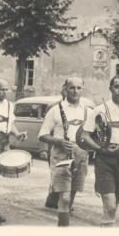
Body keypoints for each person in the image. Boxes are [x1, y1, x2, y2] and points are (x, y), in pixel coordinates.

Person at [80, 75, 119, 227]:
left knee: (115, 205)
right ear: (110, 88)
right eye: (117, 86)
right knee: (110, 206)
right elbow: (85, 135)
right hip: (105, 161)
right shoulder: (99, 109)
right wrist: (101, 148)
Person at [38, 77, 93, 227]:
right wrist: (59, 141)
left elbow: (93, 136)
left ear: (83, 89)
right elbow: (42, 135)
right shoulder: (56, 110)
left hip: (80, 156)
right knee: (65, 197)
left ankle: (63, 227)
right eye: (72, 87)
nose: (75, 91)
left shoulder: (88, 112)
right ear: (65, 89)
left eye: (78, 88)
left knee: (72, 194)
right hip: (61, 157)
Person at [0, 79, 27, 225]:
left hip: (4, 143)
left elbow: (10, 124)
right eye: (2, 89)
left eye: (7, 90)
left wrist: (18, 134)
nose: (5, 92)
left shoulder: (10, 105)